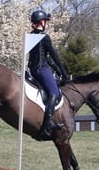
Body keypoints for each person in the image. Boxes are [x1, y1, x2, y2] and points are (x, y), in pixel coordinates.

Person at [27, 9, 70, 138]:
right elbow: (54, 56)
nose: (46, 23)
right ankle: (49, 122)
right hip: (42, 69)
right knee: (54, 92)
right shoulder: (45, 37)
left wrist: (56, 70)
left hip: (33, 70)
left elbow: (45, 57)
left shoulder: (31, 35)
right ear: (42, 22)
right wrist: (64, 73)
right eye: (45, 20)